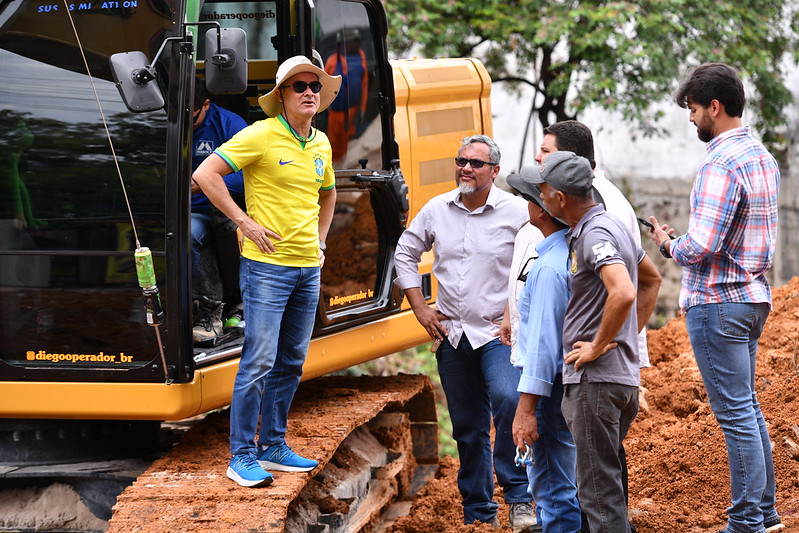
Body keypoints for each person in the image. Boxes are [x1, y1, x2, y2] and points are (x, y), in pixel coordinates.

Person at [647, 63, 782, 533]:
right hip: (751, 296)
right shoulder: (762, 157)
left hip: (718, 301)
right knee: (749, 409)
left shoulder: (719, 162)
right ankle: (764, 514)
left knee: (737, 415)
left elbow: (702, 245)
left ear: (714, 108)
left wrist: (668, 244)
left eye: (692, 108)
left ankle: (745, 522)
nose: (690, 118)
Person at [193, 55, 340, 488]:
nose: (309, 91)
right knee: (258, 360)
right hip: (267, 269)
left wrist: (321, 242)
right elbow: (206, 173)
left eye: (314, 85)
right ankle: (241, 455)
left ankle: (273, 445)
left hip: (306, 268)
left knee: (292, 360)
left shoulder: (320, 143)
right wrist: (245, 222)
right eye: (299, 86)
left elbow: (328, 194)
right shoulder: (260, 134)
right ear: (281, 96)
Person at [393, 135, 536, 532]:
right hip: (453, 336)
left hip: (497, 333)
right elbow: (405, 252)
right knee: (469, 428)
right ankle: (478, 512)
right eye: (461, 161)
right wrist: (419, 307)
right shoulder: (437, 209)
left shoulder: (515, 212)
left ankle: (520, 497)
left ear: (494, 171)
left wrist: (512, 312)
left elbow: (530, 265)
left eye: (475, 163)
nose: (466, 169)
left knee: (509, 400)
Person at [529, 151, 661, 532]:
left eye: (543, 190)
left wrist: (600, 343)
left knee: (598, 498)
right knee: (606, 490)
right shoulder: (612, 225)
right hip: (617, 380)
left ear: (559, 197)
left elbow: (623, 291)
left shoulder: (594, 233)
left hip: (596, 382)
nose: (539, 198)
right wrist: (625, 336)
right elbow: (651, 279)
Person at [506, 166, 581, 532]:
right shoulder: (565, 254)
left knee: (552, 489)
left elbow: (543, 345)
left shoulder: (549, 268)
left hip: (547, 394)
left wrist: (526, 409)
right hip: (560, 388)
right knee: (560, 482)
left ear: (540, 211)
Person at [190, 78, 249, 344]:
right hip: (169, 210)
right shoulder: (164, 124)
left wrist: (204, 184)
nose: (187, 126)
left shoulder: (230, 125)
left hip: (215, 209)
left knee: (190, 232)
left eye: (192, 120)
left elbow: (250, 173)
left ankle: (210, 308)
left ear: (206, 105)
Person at [324, 28, 368, 165]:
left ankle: (346, 165)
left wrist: (362, 109)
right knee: (334, 140)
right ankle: (334, 168)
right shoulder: (332, 60)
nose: (356, 44)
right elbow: (323, 84)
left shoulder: (361, 58)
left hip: (353, 108)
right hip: (335, 111)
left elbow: (364, 84)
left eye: (357, 41)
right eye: (353, 41)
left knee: (349, 140)